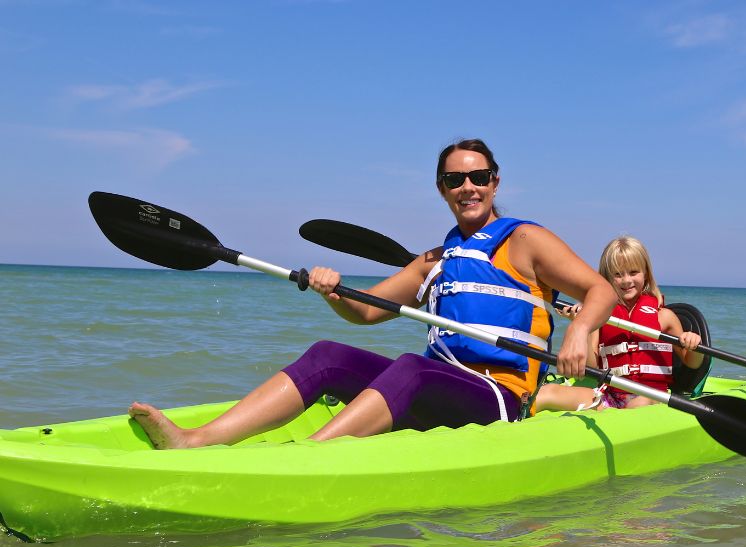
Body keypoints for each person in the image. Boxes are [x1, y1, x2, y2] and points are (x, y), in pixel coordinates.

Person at [128, 138, 617, 449]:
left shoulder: (526, 239)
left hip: (502, 397)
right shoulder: (435, 260)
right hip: (438, 389)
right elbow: (365, 311)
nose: (468, 187)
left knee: (411, 366)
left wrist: (578, 330)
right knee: (327, 355)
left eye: (478, 177)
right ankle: (197, 441)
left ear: (495, 182)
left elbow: (600, 290)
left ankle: (310, 457)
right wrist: (332, 291)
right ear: (441, 189)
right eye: (455, 180)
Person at [534, 235, 704, 412]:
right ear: (607, 278)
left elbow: (692, 362)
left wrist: (692, 344)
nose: (626, 281)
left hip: (653, 397)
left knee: (640, 403)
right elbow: (592, 366)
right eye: (617, 274)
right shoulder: (599, 317)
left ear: (645, 274)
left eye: (633, 272)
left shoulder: (665, 317)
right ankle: (510, 420)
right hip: (609, 397)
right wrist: (582, 325)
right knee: (548, 392)